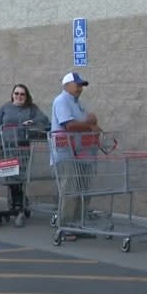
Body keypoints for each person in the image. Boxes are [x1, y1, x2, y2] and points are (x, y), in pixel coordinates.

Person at [50, 72, 101, 235]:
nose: (80, 88)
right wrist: (89, 125)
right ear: (67, 85)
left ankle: (79, 225)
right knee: (70, 191)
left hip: (80, 154)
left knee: (83, 191)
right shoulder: (61, 101)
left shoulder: (78, 103)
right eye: (77, 85)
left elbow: (86, 122)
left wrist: (92, 122)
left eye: (82, 85)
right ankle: (65, 228)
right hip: (65, 153)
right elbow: (69, 126)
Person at [0, 84, 50, 213]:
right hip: (7, 149)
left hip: (23, 148)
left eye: (22, 94)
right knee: (10, 176)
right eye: (16, 93)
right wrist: (1, 143)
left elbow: (45, 120)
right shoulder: (4, 108)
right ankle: (17, 201)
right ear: (12, 95)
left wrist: (32, 122)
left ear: (26, 96)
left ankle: (18, 202)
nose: (19, 96)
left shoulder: (31, 109)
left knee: (20, 176)